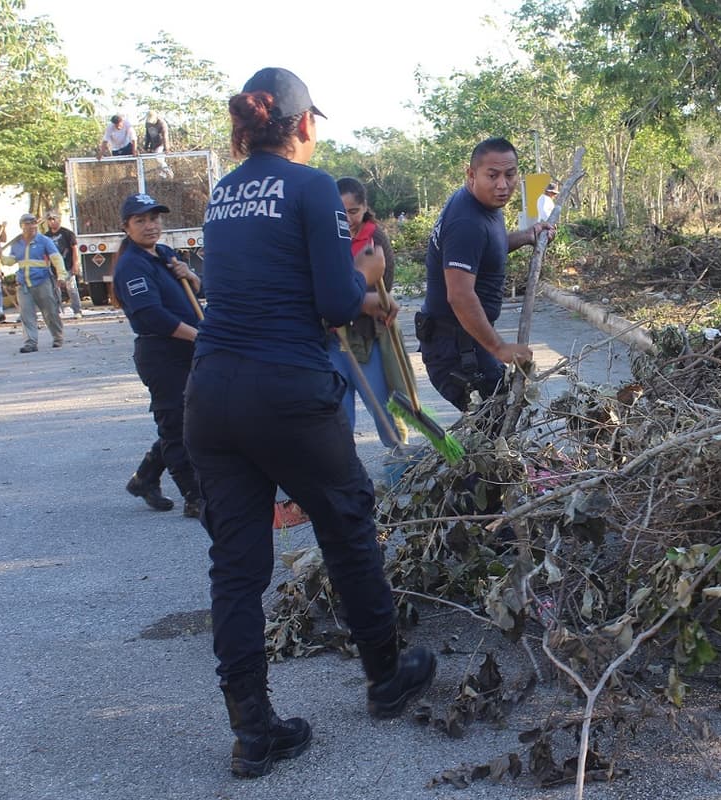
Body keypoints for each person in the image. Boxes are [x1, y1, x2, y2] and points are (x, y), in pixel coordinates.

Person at [184, 67, 436, 779]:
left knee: (236, 563)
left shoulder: (224, 192)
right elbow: (331, 298)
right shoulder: (313, 184)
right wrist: (369, 275)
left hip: (212, 392)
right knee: (347, 519)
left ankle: (254, 731)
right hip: (286, 391)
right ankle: (387, 677)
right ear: (301, 125)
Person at [417, 137, 553, 411]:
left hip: (468, 342)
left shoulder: (485, 205)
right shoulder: (467, 221)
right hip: (455, 351)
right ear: (471, 174)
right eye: (492, 175)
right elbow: (459, 295)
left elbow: (490, 247)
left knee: (500, 422)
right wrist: (500, 348)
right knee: (495, 426)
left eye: (510, 174)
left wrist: (528, 236)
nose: (503, 185)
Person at [113, 193, 203, 519]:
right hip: (162, 354)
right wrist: (199, 336)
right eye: (141, 220)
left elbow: (194, 293)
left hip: (189, 348)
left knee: (189, 421)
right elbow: (152, 315)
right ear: (126, 227)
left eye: (154, 219)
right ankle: (194, 496)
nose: (150, 226)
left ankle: (145, 477)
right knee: (177, 427)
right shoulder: (131, 265)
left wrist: (190, 276)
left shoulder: (164, 254)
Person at [332, 176, 409, 450]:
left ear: (364, 207)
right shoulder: (325, 237)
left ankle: (400, 464)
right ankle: (344, 475)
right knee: (338, 415)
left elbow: (382, 289)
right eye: (340, 213)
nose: (348, 219)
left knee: (385, 406)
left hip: (367, 336)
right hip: (332, 337)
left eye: (353, 211)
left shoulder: (374, 238)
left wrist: (354, 297)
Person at [0, 213, 65, 353]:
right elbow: (10, 261)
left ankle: (57, 336)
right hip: (24, 284)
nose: (31, 227)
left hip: (43, 281)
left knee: (50, 312)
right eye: (27, 224)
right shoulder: (17, 244)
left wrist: (61, 275)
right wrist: (0, 256)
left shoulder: (44, 241)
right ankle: (30, 342)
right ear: (22, 226)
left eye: (33, 223)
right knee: (26, 314)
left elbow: (56, 258)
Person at [43, 210, 82, 318]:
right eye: (49, 219)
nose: (52, 221)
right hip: (53, 268)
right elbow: (45, 253)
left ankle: (77, 310)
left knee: (72, 289)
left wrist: (75, 264)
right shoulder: (46, 236)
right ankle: (57, 311)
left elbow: (74, 249)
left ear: (59, 220)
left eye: (54, 219)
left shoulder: (67, 233)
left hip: (67, 265)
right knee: (55, 291)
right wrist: (45, 266)